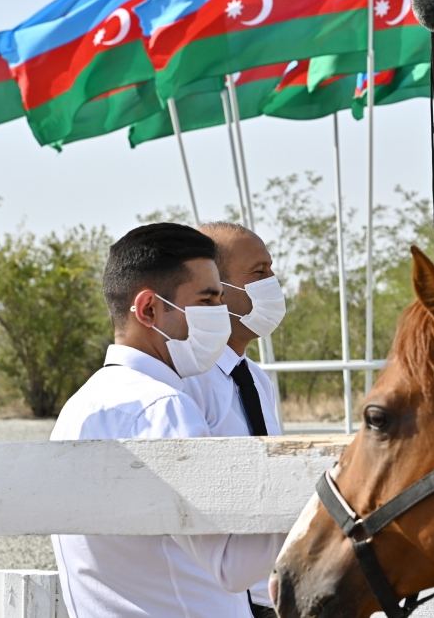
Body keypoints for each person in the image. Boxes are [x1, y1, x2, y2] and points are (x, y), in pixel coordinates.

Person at [50, 223, 285, 618]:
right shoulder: (162, 408)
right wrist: (334, 499)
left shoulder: (82, 405)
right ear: (148, 309)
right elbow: (232, 565)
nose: (220, 317)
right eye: (208, 301)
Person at [184, 222, 287, 618]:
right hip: (223, 598)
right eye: (259, 274)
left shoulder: (256, 378)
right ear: (215, 288)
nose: (273, 284)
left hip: (269, 594)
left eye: (272, 271)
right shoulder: (188, 386)